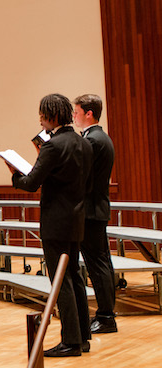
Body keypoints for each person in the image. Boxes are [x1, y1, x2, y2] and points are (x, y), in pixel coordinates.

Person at [8, 93, 93, 357]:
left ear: (52, 117)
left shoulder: (53, 146)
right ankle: (83, 336)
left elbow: (32, 183)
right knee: (75, 277)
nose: (40, 120)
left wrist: (15, 176)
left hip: (56, 220)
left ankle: (70, 341)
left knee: (60, 280)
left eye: (42, 115)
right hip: (77, 218)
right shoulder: (83, 143)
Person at [73, 94, 117, 334]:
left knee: (97, 264)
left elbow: (82, 175)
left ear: (89, 113)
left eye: (77, 112)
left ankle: (106, 316)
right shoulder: (99, 137)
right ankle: (107, 313)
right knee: (102, 263)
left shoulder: (93, 140)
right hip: (96, 207)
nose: (74, 117)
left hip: (90, 210)